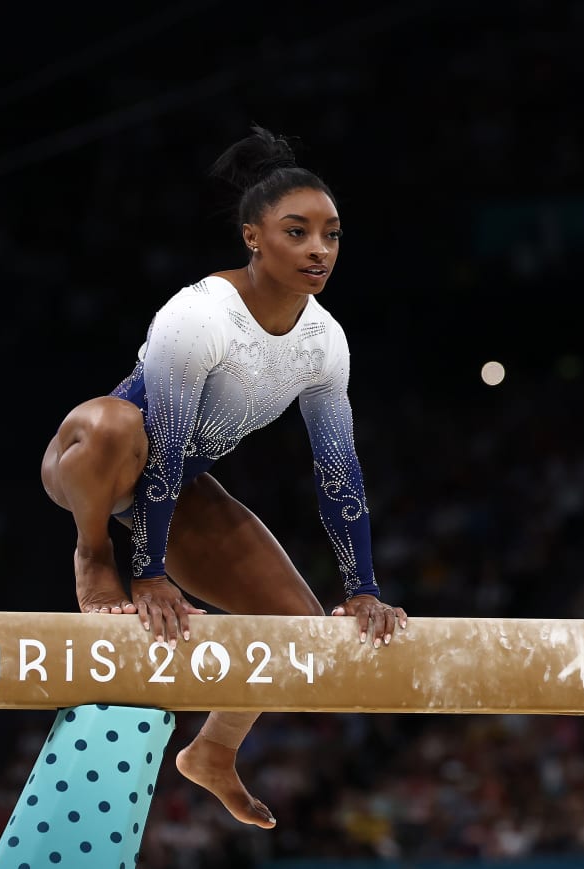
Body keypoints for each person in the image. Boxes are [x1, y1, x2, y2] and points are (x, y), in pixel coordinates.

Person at [40, 125, 408, 829]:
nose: (318, 249)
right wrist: (144, 571)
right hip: (93, 463)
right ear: (252, 237)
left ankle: (212, 750)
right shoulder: (200, 313)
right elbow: (167, 441)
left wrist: (363, 588)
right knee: (120, 422)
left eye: (330, 233)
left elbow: (339, 469)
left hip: (179, 489)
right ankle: (92, 553)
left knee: (299, 630)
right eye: (296, 232)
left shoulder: (324, 341)